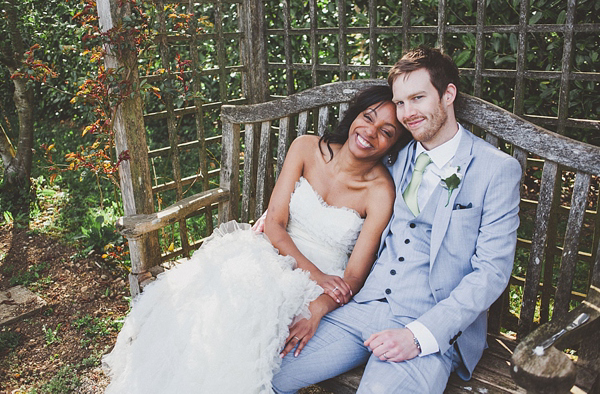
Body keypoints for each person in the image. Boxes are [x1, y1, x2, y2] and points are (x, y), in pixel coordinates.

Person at [102, 85, 410, 393]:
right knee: (219, 303)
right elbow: (274, 224)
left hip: (316, 286)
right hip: (273, 252)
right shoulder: (306, 148)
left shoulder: (380, 192)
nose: (370, 132)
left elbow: (354, 277)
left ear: (393, 145)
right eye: (368, 117)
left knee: (245, 327)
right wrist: (312, 271)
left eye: (386, 131)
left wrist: (318, 307)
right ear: (355, 115)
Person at [271, 46, 522, 393]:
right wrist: (271, 221)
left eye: (417, 98)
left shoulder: (496, 170)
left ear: (448, 95)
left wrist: (419, 337)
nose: (406, 113)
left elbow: (491, 273)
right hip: (362, 308)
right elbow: (335, 184)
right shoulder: (393, 156)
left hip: (428, 324)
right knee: (266, 373)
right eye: (400, 102)